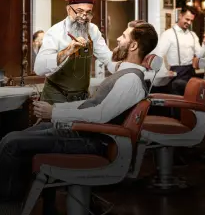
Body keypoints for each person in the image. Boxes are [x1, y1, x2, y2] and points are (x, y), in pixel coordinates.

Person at [0, 20, 158, 204]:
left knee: (11, 142)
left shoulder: (130, 80)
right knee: (17, 136)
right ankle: (24, 200)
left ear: (133, 45)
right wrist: (54, 109)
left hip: (91, 141)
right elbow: (92, 104)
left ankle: (8, 206)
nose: (117, 39)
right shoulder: (125, 74)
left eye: (123, 36)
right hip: (84, 134)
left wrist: (55, 114)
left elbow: (100, 115)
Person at [34, 0, 113, 104]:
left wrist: (125, 68)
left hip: (81, 98)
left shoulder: (93, 30)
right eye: (79, 11)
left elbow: (107, 57)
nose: (83, 17)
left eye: (88, 13)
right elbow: (39, 68)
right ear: (69, 10)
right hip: (56, 96)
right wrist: (67, 51)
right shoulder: (55, 32)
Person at [155, 5, 205, 96]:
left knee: (191, 100)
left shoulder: (192, 35)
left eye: (191, 20)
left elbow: (200, 55)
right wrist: (164, 71)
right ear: (180, 16)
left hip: (190, 72)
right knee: (178, 102)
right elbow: (158, 54)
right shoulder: (168, 34)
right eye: (187, 19)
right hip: (176, 73)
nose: (189, 23)